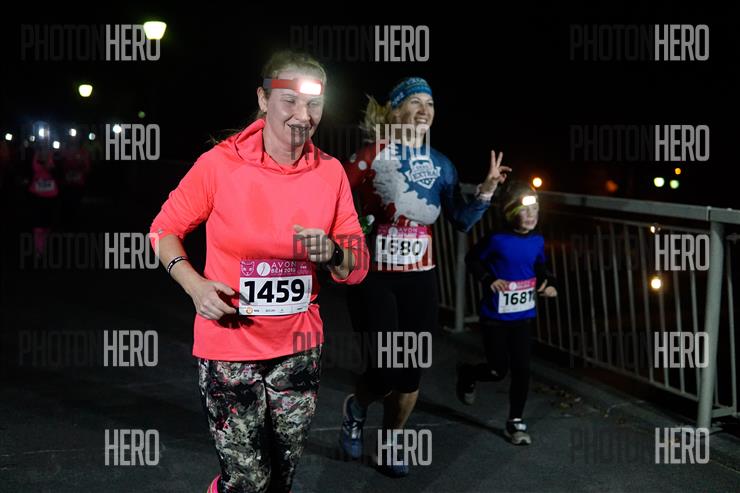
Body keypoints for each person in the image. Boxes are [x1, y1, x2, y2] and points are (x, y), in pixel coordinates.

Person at [149, 51, 369, 493]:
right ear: (263, 99)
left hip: (298, 347)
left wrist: (332, 252)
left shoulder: (331, 173)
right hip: (229, 344)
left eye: (314, 104)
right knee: (247, 480)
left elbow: (357, 265)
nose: (303, 116)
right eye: (290, 100)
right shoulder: (219, 164)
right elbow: (163, 230)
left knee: (281, 477)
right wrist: (194, 285)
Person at [339, 76, 510, 477]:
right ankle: (357, 406)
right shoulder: (371, 155)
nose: (424, 110)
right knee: (384, 371)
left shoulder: (443, 165)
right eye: (414, 101)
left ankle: (390, 442)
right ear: (395, 110)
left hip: (420, 279)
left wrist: (485, 191)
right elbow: (333, 197)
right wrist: (347, 234)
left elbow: (461, 220)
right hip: (375, 277)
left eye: (429, 104)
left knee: (410, 373)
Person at [458, 180, 557, 445]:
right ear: (511, 213)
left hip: (523, 318)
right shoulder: (497, 240)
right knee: (497, 370)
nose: (531, 216)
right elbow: (472, 259)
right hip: (495, 318)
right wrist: (488, 278)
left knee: (522, 369)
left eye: (535, 210)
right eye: (524, 210)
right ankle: (469, 374)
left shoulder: (537, 240)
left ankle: (515, 422)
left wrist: (548, 284)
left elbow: (541, 268)